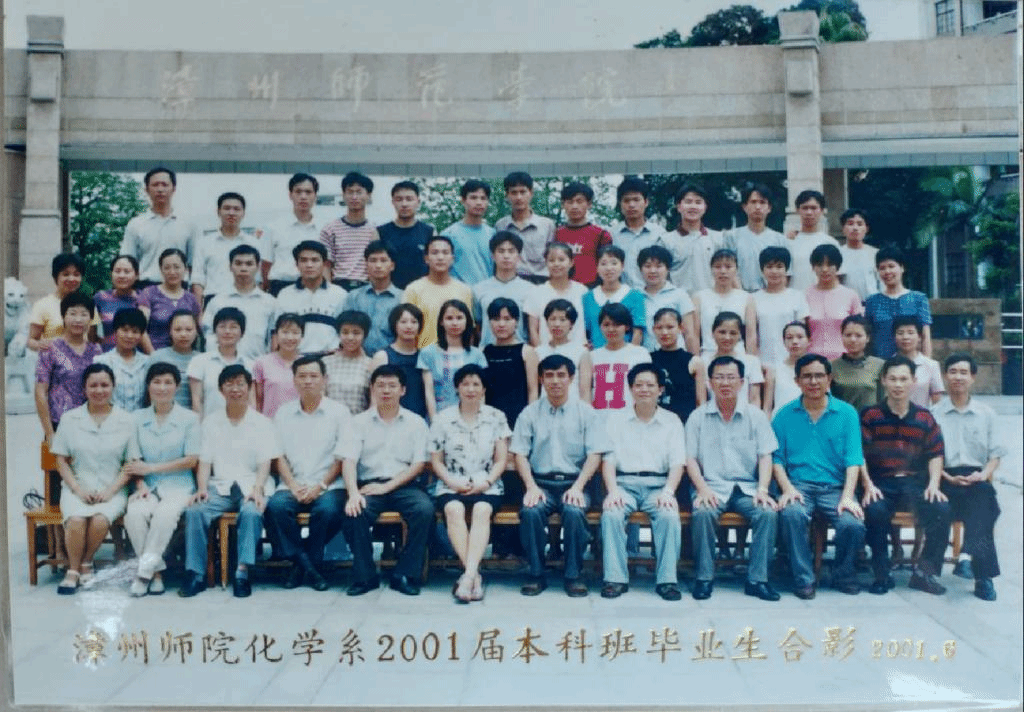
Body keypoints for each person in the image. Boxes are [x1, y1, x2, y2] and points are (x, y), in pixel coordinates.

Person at [179, 364, 281, 598]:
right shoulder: (210, 422)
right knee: (195, 511)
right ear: (221, 389)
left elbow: (265, 463)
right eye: (229, 384)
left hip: (252, 484)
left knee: (252, 511)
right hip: (220, 485)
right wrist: (202, 488)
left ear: (249, 388)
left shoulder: (262, 423)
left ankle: (242, 572)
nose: (235, 389)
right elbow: (205, 462)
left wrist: (257, 489)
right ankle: (196, 574)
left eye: (240, 384)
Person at [686, 355, 780, 601]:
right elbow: (690, 459)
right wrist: (702, 489)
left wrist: (763, 489)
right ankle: (704, 577)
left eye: (730, 377)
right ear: (709, 383)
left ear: (741, 382)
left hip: (747, 488)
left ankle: (757, 579)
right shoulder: (697, 417)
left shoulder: (756, 416)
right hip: (711, 486)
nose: (725, 383)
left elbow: (765, 456)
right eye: (719, 377)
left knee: (767, 513)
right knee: (703, 513)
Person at [772, 354, 866, 599]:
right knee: (791, 514)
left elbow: (854, 459)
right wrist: (788, 489)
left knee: (852, 524)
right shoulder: (784, 415)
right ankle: (803, 578)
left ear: (829, 379)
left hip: (835, 487)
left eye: (819, 376)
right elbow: (777, 460)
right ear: (797, 381)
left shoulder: (847, 413)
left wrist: (848, 497)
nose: (813, 382)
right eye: (807, 376)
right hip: (799, 485)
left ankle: (843, 574)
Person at [511, 355, 606, 597]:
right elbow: (520, 454)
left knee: (574, 511)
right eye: (549, 376)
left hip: (575, 482)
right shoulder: (530, 413)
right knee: (531, 511)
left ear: (571, 378)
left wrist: (578, 487)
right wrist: (531, 487)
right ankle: (536, 573)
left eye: (561, 375)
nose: (555, 381)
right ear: (541, 379)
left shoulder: (586, 413)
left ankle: (573, 575)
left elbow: (594, 454)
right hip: (540, 483)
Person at [339, 365, 435, 596]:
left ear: (403, 390)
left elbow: (418, 464)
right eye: (380, 385)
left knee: (424, 511)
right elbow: (348, 461)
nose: (386, 391)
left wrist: (387, 487)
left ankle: (404, 574)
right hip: (369, 485)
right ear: (372, 389)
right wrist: (353, 493)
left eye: (392, 386)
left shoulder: (416, 422)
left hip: (404, 485)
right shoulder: (357, 422)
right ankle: (365, 576)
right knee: (355, 512)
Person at [860, 355, 951, 596]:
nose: (898, 385)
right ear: (883, 380)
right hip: (881, 482)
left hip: (915, 483)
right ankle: (881, 574)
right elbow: (859, 455)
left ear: (913, 381)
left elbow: (936, 453)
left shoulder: (924, 417)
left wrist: (934, 484)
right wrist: (867, 485)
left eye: (903, 379)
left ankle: (924, 573)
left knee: (941, 510)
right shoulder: (870, 416)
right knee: (874, 510)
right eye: (893, 379)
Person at [264, 355, 351, 592]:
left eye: (314, 376)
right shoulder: (283, 413)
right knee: (276, 508)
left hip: (329, 485)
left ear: (325, 379)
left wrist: (320, 486)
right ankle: (309, 567)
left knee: (328, 511)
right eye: (302, 376)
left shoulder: (339, 412)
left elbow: (342, 457)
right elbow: (278, 455)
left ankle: (300, 566)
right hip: (292, 484)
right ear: (294, 380)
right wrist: (292, 485)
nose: (308, 381)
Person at [599, 363, 686, 601]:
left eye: (650, 385)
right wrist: (612, 491)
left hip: (658, 486)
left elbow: (677, 463)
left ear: (660, 390)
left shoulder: (672, 421)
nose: (644, 389)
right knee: (611, 514)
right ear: (630, 389)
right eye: (638, 385)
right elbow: (608, 460)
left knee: (669, 516)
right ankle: (615, 579)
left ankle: (667, 581)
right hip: (624, 484)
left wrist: (668, 492)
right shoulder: (616, 419)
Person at [51, 363, 138, 594]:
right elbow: (61, 460)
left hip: (113, 489)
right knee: (76, 520)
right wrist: (78, 489)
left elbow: (130, 464)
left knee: (100, 519)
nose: (99, 390)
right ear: (84, 388)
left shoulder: (127, 420)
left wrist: (110, 491)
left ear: (113, 387)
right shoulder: (70, 419)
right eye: (93, 385)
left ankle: (86, 562)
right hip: (77, 487)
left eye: (104, 385)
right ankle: (73, 570)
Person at [429, 364, 510, 602]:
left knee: (482, 509)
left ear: (484, 389)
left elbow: (501, 459)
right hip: (451, 482)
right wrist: (451, 482)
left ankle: (467, 577)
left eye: (476, 384)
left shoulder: (496, 417)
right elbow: (436, 461)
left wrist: (487, 482)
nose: (471, 389)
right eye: (465, 384)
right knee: (453, 509)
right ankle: (473, 576)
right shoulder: (443, 419)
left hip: (487, 483)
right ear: (457, 388)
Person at [123, 363, 200, 596]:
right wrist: (140, 483)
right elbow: (133, 458)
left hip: (179, 486)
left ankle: (143, 574)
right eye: (156, 382)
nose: (162, 388)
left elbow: (191, 459)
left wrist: (151, 468)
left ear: (177, 386)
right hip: (147, 485)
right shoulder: (135, 418)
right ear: (148, 386)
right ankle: (156, 574)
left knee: (165, 516)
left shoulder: (189, 418)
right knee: (134, 514)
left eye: (168, 382)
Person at [932, 353, 1004, 601]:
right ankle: (972, 564)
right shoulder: (934, 414)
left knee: (986, 504)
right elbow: (927, 456)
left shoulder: (987, 413)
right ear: (945, 376)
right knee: (979, 510)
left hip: (977, 477)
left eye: (964, 372)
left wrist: (983, 474)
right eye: (953, 372)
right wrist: (945, 476)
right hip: (944, 477)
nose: (958, 377)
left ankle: (977, 571)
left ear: (973, 377)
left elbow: (995, 454)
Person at [34, 292, 103, 449]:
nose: (78, 319)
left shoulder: (96, 350)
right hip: (59, 424)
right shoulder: (50, 349)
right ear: (63, 317)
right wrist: (49, 433)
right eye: (72, 313)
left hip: (91, 425)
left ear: (90, 319)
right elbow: (40, 392)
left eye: (84, 314)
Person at [119, 167, 197, 288]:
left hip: (179, 288)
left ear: (174, 189)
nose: (160, 189)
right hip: (145, 287)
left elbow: (194, 264)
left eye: (165, 185)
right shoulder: (136, 224)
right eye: (155, 185)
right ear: (147, 190)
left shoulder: (188, 223)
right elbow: (126, 262)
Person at [203, 244, 277, 360]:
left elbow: (273, 339)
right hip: (223, 365)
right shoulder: (217, 302)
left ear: (258, 267)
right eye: (238, 263)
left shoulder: (270, 303)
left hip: (257, 365)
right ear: (230, 266)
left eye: (249, 264)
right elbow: (209, 336)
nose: (243, 268)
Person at [273, 241, 349, 354]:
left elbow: (347, 331)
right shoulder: (285, 294)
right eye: (303, 260)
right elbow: (276, 334)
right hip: (296, 358)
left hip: (331, 357)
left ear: (324, 264)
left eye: (315, 260)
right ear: (296, 264)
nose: (309, 265)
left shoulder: (340, 294)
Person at [419, 299, 487, 420]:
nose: (455, 323)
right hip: (440, 416)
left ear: (467, 321)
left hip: (470, 417)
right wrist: (435, 422)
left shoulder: (477, 354)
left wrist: (479, 419)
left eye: (459, 318)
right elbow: (429, 393)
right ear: (441, 321)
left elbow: (481, 394)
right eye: (449, 318)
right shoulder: (428, 353)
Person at [403, 235, 474, 350]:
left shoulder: (464, 290)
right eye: (435, 253)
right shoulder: (413, 290)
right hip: (422, 354)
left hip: (456, 354)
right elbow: (405, 328)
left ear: (452, 258)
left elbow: (469, 328)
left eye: (445, 253)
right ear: (426, 258)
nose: (440, 257)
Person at [191, 192, 259, 306]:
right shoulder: (204, 243)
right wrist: (199, 311)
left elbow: (259, 279)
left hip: (245, 299)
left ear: (243, 213)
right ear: (218, 212)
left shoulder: (254, 243)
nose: (231, 213)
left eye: (236, 209)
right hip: (213, 299)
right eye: (227, 208)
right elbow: (197, 280)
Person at [611, 177, 679, 290]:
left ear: (646, 202)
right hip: (622, 296)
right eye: (626, 201)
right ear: (620, 204)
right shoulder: (612, 235)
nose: (631, 205)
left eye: (636, 200)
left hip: (653, 294)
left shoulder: (660, 235)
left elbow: (668, 268)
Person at [864, 246, 933, 358]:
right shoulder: (872, 302)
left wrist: (926, 364)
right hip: (881, 362)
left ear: (902, 268)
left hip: (911, 363)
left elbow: (925, 336)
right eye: (882, 268)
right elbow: (868, 337)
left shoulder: (918, 299)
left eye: (891, 266)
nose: (887, 272)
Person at [261, 173, 324, 296]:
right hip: (281, 286)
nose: (303, 197)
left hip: (314, 288)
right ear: (290, 195)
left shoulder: (324, 228)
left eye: (308, 192)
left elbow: (327, 264)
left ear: (315, 196)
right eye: (298, 192)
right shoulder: (273, 227)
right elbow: (266, 264)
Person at [473, 231, 537, 348]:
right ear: (493, 256)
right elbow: (478, 325)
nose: (506, 256)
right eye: (501, 251)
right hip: (488, 351)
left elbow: (532, 328)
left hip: (519, 351)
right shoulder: (479, 289)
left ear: (519, 256)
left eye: (511, 251)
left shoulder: (530, 290)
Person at [483, 298, 538, 429]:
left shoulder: (527, 352)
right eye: (496, 319)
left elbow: (533, 391)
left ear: (516, 321)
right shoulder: (484, 352)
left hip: (519, 419)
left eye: (507, 319)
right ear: (489, 322)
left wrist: (530, 421)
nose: (501, 324)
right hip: (490, 420)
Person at [692, 249, 757, 359]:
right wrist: (696, 360)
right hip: (709, 355)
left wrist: (751, 361)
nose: (723, 271)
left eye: (728, 267)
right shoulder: (699, 297)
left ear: (736, 270)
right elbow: (695, 335)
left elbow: (751, 335)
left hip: (738, 356)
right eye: (718, 267)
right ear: (711, 270)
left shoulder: (746, 298)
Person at [27, 253, 99, 351]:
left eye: (76, 274)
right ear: (56, 277)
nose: (71, 279)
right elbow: (31, 340)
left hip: (82, 357)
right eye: (66, 274)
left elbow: (92, 339)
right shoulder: (42, 305)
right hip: (53, 358)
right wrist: (40, 345)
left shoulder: (89, 304)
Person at [187, 307, 250, 419]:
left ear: (242, 332)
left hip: (243, 426)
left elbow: (251, 403)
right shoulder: (199, 362)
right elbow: (197, 402)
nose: (227, 331)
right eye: (222, 326)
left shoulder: (249, 365)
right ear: (215, 330)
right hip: (210, 426)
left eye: (233, 327)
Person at [319, 171, 378, 290]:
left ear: (369, 195)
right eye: (350, 192)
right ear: (343, 195)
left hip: (365, 287)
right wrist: (328, 292)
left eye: (359, 192)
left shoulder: (375, 230)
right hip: (338, 286)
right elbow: (326, 265)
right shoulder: (330, 229)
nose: (354, 197)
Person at [752, 246, 809, 366]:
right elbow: (752, 336)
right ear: (762, 270)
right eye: (769, 267)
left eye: (779, 267)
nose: (774, 271)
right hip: (764, 363)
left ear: (786, 269)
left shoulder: (797, 296)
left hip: (792, 362)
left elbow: (802, 333)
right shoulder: (754, 299)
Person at [494, 171, 555, 283]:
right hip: (510, 281)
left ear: (531, 193)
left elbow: (553, 258)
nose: (519, 197)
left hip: (540, 282)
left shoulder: (547, 225)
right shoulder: (500, 225)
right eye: (514, 193)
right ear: (507, 195)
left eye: (523, 192)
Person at [805, 243, 863, 361]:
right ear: (813, 267)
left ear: (838, 267)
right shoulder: (805, 295)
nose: (824, 269)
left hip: (845, 360)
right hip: (813, 360)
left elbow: (860, 330)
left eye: (830, 264)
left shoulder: (850, 295)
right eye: (819, 265)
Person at [369, 304, 428, 418]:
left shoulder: (424, 357)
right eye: (403, 322)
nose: (409, 326)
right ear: (394, 325)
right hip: (389, 419)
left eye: (414, 322)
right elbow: (374, 395)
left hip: (419, 420)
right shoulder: (383, 356)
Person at [590, 303, 652, 412]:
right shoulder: (591, 356)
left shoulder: (640, 354)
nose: (611, 329)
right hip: (598, 418)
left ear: (627, 326)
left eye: (617, 325)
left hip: (629, 417)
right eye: (606, 325)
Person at [344, 241, 403, 356]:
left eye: (383, 260)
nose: (378, 265)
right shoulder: (353, 297)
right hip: (356, 358)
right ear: (365, 264)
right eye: (373, 260)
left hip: (391, 360)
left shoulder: (402, 298)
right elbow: (343, 328)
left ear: (392, 265)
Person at [526, 242, 589, 349]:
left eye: (561, 260)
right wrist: (541, 353)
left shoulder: (582, 291)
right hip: (547, 353)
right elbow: (533, 330)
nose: (556, 264)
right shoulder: (536, 292)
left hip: (577, 352)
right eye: (551, 260)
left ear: (571, 262)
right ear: (546, 263)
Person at [137, 248, 201, 351]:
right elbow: (140, 328)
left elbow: (197, 330)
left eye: (177, 267)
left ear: (185, 269)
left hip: (184, 354)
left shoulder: (191, 298)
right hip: (154, 353)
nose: (172, 272)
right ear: (161, 270)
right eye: (167, 268)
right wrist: (153, 356)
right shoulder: (149, 293)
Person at [582, 245, 646, 348]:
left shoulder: (635, 296)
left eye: (614, 263)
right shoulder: (588, 298)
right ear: (597, 267)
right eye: (603, 264)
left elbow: (638, 332)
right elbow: (586, 332)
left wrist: (632, 354)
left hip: (626, 354)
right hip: (596, 354)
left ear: (622, 266)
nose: (609, 268)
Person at [637, 245, 698, 354]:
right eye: (647, 266)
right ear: (640, 269)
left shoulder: (679, 295)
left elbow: (689, 334)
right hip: (646, 356)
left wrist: (694, 359)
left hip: (676, 355)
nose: (653, 271)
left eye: (659, 266)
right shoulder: (636, 297)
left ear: (668, 269)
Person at [649, 307, 705, 425]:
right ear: (653, 330)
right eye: (659, 328)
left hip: (684, 424)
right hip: (654, 424)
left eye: (670, 327)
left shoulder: (694, 361)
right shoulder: (648, 360)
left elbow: (701, 402)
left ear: (681, 328)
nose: (664, 332)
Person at [376, 180, 435, 289]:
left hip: (421, 292)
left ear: (418, 201)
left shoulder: (429, 232)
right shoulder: (380, 232)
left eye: (409, 199)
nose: (404, 204)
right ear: (393, 202)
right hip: (390, 293)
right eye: (399, 199)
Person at [727, 183, 785, 292]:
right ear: (745, 207)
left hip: (771, 295)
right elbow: (729, 268)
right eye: (753, 202)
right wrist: (743, 296)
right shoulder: (732, 237)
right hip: (740, 295)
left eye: (762, 202)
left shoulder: (779, 240)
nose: (758, 207)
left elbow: (785, 274)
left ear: (769, 208)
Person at [671, 183, 726, 294]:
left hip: (711, 299)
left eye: (698, 202)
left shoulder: (718, 239)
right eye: (688, 202)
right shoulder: (666, 240)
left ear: (705, 207)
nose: (693, 206)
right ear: (678, 206)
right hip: (679, 302)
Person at [554, 181, 612, 287]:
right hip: (562, 288)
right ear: (563, 204)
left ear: (589, 204)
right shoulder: (556, 234)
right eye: (570, 202)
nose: (574, 206)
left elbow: (608, 265)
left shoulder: (601, 235)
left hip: (592, 288)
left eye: (579, 201)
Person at [534, 299, 593, 400]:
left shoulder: (582, 353)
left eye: (562, 320)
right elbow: (535, 390)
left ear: (571, 324)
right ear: (547, 322)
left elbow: (585, 392)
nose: (557, 324)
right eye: (553, 319)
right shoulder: (537, 352)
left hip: (573, 406)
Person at [705, 312, 765, 409]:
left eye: (733, 333)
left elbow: (754, 399)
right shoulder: (704, 362)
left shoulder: (751, 362)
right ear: (713, 333)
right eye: (722, 332)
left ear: (740, 335)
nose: (727, 337)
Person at [94, 308, 150, 412]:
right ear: (115, 331)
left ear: (141, 335)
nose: (129, 336)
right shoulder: (101, 361)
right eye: (125, 330)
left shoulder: (148, 362)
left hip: (141, 420)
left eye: (135, 331)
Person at [785, 190, 841, 291]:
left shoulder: (830, 242)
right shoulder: (789, 242)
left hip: (823, 297)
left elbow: (837, 277)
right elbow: (785, 278)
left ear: (822, 210)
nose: (809, 212)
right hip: (796, 297)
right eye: (805, 208)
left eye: (814, 208)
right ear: (797, 210)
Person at [444, 179, 496, 287]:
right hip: (458, 293)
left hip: (487, 292)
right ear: (463, 200)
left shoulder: (492, 234)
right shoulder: (449, 234)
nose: (478, 202)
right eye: (473, 198)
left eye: (483, 198)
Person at [252, 313, 303, 418]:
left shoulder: (307, 364)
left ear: (302, 336)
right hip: (270, 423)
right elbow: (258, 401)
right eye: (285, 332)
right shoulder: (262, 363)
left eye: (295, 333)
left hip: (300, 422)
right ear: (276, 335)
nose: (290, 338)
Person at [829, 314, 884, 412]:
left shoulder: (879, 365)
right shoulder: (832, 366)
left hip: (870, 419)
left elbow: (884, 399)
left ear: (867, 338)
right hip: (841, 418)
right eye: (848, 335)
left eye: (858, 336)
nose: (853, 340)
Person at [323, 310, 374, 414]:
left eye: (356, 333)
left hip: (359, 421)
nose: (350, 338)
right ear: (338, 334)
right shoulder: (325, 362)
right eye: (345, 332)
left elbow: (374, 402)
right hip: (329, 420)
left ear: (365, 335)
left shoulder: (371, 365)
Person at [149, 310, 200, 408]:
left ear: (196, 331)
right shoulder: (157, 357)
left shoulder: (202, 360)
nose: (183, 334)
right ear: (170, 331)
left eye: (189, 329)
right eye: (178, 329)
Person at [93, 254, 142, 352]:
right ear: (111, 274)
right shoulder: (100, 298)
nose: (121, 276)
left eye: (127, 272)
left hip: (138, 356)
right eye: (117, 271)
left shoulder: (144, 298)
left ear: (137, 275)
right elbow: (91, 332)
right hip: (107, 355)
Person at [892, 316, 944, 406]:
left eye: (910, 333)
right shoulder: (887, 364)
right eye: (900, 333)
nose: (905, 337)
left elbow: (937, 403)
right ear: (894, 337)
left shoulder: (931, 365)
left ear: (919, 337)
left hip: (921, 414)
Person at [764, 321, 809, 416]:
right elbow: (767, 408)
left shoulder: (818, 370)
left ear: (809, 340)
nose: (795, 342)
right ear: (784, 342)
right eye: (789, 338)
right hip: (781, 421)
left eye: (800, 337)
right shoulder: (774, 370)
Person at [837, 208, 879, 301]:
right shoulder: (837, 254)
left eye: (860, 224)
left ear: (866, 229)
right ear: (843, 229)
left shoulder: (875, 254)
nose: (855, 228)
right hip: (847, 305)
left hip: (873, 304)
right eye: (850, 224)